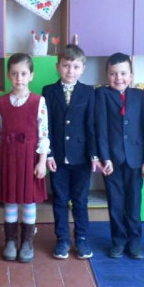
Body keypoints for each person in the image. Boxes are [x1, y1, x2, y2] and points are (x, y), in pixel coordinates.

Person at [95, 52, 144, 259]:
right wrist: (105, 157)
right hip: (113, 160)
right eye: (113, 73)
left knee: (134, 204)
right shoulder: (101, 95)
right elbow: (100, 129)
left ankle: (134, 243)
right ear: (106, 75)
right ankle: (118, 242)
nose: (118, 78)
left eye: (123, 73)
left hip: (136, 159)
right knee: (116, 204)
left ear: (131, 75)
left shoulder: (139, 96)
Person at [42, 44, 97, 260]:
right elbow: (45, 125)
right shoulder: (48, 91)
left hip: (82, 157)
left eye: (75, 66)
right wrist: (48, 154)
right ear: (58, 67)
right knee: (60, 199)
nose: (70, 71)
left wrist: (94, 154)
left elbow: (91, 125)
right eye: (66, 66)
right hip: (57, 157)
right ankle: (62, 239)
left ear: (82, 68)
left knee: (80, 200)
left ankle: (82, 238)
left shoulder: (89, 92)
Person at [0, 53, 49, 263]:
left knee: (28, 199)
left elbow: (44, 133)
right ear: (9, 75)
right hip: (8, 156)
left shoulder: (38, 101)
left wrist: (41, 162)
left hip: (30, 157)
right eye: (15, 74)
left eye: (24, 73)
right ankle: (10, 240)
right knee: (10, 199)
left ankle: (27, 241)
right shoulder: (1, 102)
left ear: (31, 75)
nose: (19, 78)